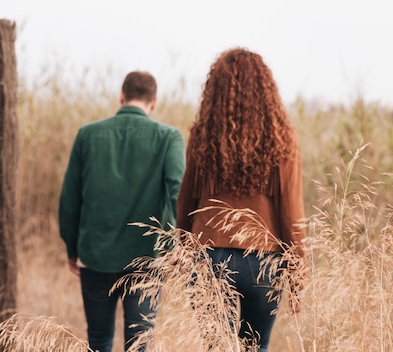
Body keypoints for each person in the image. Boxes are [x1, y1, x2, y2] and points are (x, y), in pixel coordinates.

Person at [176, 48, 306, 351]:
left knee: (216, 346)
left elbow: (186, 201)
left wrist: (183, 246)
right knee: (255, 348)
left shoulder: (202, 136)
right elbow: (291, 213)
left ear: (215, 90)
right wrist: (297, 276)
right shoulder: (282, 139)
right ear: (265, 90)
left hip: (208, 254)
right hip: (262, 261)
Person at [58, 71, 186, 352]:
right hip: (147, 260)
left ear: (122, 96)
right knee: (140, 344)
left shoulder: (88, 135)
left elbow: (69, 200)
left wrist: (72, 249)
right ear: (154, 103)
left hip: (94, 257)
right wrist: (175, 243)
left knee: (99, 340)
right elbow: (179, 193)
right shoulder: (169, 138)